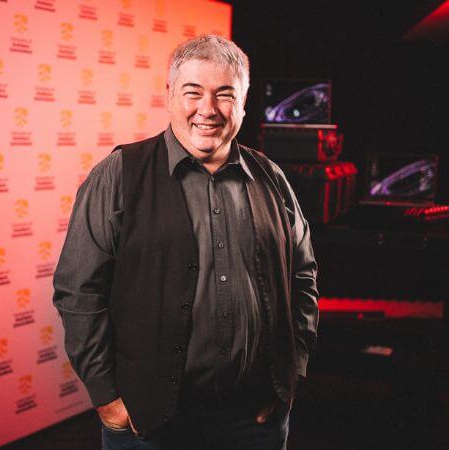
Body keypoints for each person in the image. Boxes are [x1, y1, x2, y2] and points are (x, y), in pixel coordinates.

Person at [53, 34, 318, 450]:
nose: (207, 109)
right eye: (193, 92)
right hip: (150, 425)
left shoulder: (273, 179)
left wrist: (290, 373)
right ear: (170, 96)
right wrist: (107, 398)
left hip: (255, 420)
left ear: (244, 103)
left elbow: (303, 277)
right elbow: (78, 291)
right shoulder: (117, 175)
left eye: (225, 94)